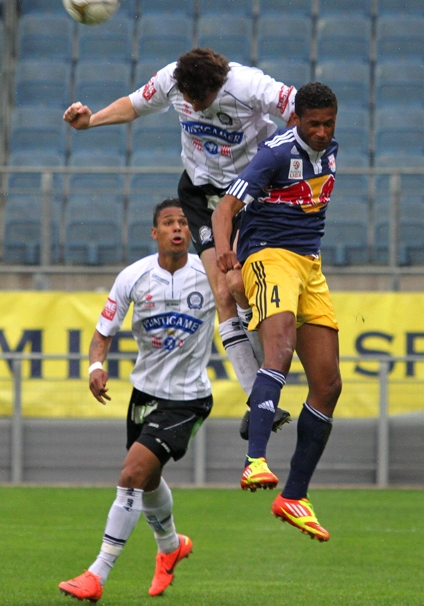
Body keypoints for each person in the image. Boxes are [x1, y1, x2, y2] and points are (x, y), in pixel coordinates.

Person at [63, 47, 294, 436]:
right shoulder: (172, 79)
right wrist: (91, 122)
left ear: (218, 86)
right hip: (201, 195)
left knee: (243, 289)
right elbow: (134, 105)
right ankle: (260, 401)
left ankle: (267, 382)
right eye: (185, 98)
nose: (189, 104)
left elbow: (299, 111)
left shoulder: (249, 85)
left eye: (197, 100)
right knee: (223, 288)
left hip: (250, 195)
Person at [58, 198, 215, 602]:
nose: (178, 228)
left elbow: (242, 315)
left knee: (130, 475)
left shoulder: (209, 273)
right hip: (144, 393)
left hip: (188, 399)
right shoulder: (134, 276)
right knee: (147, 481)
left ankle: (97, 574)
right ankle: (170, 547)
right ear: (155, 232)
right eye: (168, 222)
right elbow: (103, 331)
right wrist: (96, 367)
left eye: (183, 222)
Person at [211, 82, 342, 542]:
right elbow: (224, 208)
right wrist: (227, 252)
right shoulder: (275, 154)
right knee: (280, 347)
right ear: (298, 120)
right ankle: (255, 461)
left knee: (328, 383)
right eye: (314, 124)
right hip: (269, 256)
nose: (322, 132)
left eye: (329, 123)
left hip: (310, 266)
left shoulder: (330, 152)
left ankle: (295, 496)